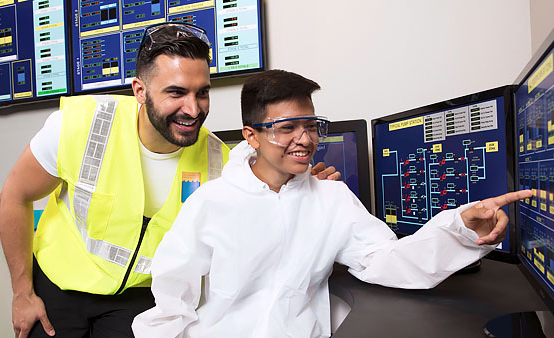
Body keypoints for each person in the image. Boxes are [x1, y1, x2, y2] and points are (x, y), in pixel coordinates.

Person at [131, 69, 533, 337]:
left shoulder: (332, 198)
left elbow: (385, 260)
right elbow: (171, 299)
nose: (304, 140)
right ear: (251, 136)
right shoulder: (211, 201)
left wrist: (461, 229)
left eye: (311, 126)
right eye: (286, 128)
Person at [0, 24, 338, 338]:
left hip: (139, 302)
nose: (193, 109)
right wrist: (22, 292)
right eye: (176, 92)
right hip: (57, 287)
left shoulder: (219, 161)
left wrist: (305, 186)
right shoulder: (78, 126)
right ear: (140, 91)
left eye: (202, 93)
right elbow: (15, 195)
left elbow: (265, 199)